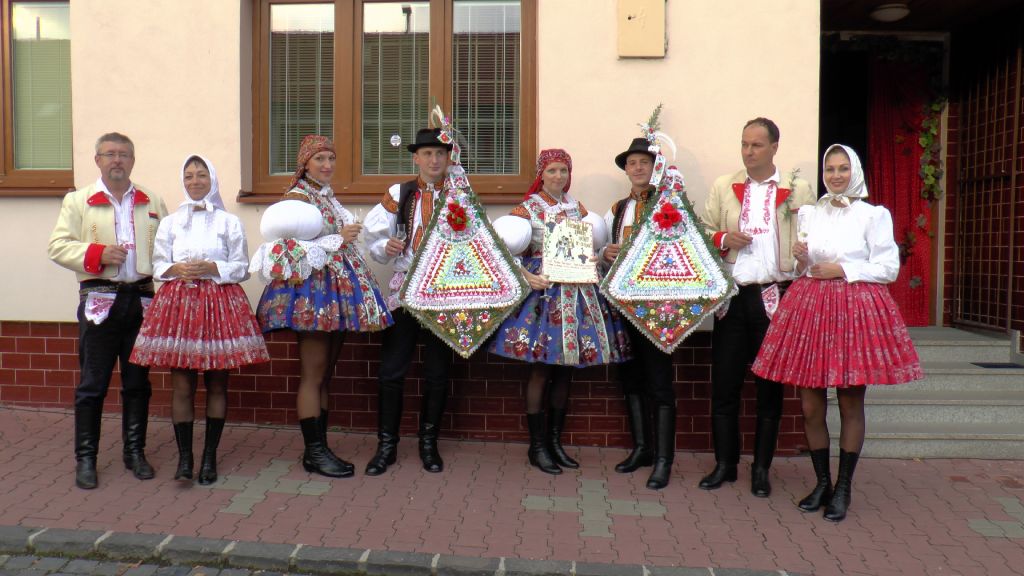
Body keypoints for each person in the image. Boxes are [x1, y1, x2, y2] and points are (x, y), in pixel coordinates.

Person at [752, 144, 922, 521]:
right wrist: (801, 259)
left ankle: (843, 488)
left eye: (843, 168)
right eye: (830, 169)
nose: (836, 175)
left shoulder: (873, 215)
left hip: (854, 309)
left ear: (854, 171)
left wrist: (843, 270)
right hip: (810, 308)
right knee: (810, 405)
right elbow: (804, 267)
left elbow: (888, 268)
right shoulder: (811, 213)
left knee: (849, 402)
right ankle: (822, 483)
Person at [255, 135, 392, 478]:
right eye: (320, 159)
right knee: (313, 374)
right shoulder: (298, 198)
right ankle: (315, 452)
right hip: (312, 295)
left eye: (331, 158)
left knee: (324, 374)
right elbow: (287, 248)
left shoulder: (326, 197)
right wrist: (337, 238)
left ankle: (319, 449)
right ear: (305, 164)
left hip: (333, 294)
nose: (327, 165)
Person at [130, 155, 269, 485]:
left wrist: (213, 268)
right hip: (179, 306)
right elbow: (157, 264)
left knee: (218, 383)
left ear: (213, 179)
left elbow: (242, 267)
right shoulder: (170, 223)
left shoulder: (229, 222)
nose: (195, 181)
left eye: (202, 175)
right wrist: (175, 268)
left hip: (219, 305)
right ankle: (185, 459)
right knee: (182, 385)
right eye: (189, 176)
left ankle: (209, 458)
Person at [491, 148, 630, 475]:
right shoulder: (527, 209)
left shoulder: (577, 208)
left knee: (566, 368)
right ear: (541, 174)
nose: (558, 176)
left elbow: (591, 247)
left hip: (577, 293)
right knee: (541, 368)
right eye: (552, 170)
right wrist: (526, 276)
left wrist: (595, 256)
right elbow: (499, 249)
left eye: (563, 170)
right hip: (544, 295)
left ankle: (555, 442)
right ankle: (537, 446)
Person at [698, 117, 816, 496]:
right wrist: (723, 238)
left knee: (769, 389)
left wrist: (806, 254)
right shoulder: (724, 186)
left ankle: (762, 468)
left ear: (774, 148)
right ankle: (725, 464)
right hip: (733, 298)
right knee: (725, 385)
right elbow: (701, 230)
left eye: (757, 145)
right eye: (744, 144)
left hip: (774, 297)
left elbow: (814, 237)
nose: (748, 152)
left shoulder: (798, 189)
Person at [48, 132, 169, 489]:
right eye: (110, 154)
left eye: (124, 154)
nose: (117, 160)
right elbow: (57, 246)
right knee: (93, 384)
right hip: (99, 299)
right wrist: (97, 254)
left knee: (138, 384)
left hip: (143, 300)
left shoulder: (152, 200)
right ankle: (86, 459)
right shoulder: (78, 200)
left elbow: (168, 246)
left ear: (133, 160)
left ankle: (134, 453)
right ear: (97, 159)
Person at [363, 128, 456, 476]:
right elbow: (374, 238)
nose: (434, 160)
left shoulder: (460, 195)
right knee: (391, 370)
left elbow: (480, 239)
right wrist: (384, 247)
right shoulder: (399, 193)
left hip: (444, 294)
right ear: (416, 158)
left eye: (440, 153)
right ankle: (386, 446)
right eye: (427, 153)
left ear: (449, 158)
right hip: (405, 289)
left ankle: (428, 445)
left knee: (437, 372)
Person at [601, 137, 677, 489]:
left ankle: (664, 460)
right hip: (623, 305)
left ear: (655, 166)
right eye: (632, 163)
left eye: (643, 162)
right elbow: (606, 251)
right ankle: (643, 449)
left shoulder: (669, 203)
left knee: (659, 381)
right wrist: (606, 253)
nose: (637, 168)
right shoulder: (618, 209)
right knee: (631, 377)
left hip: (658, 307)